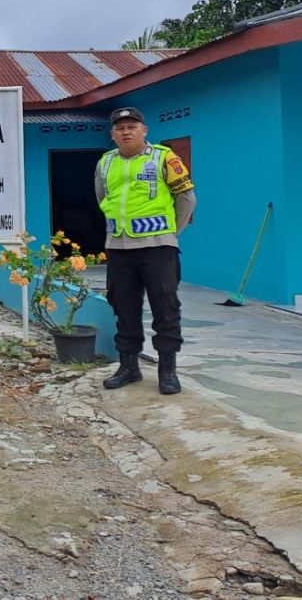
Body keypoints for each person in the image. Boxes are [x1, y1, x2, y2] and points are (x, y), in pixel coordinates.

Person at [95, 108, 196, 394]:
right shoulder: (105, 163)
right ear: (112, 134)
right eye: (120, 127)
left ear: (144, 130)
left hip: (157, 248)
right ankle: (129, 367)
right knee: (123, 306)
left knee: (165, 307)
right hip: (119, 246)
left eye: (132, 126)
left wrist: (171, 233)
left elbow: (186, 200)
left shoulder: (164, 157)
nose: (126, 131)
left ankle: (167, 371)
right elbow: (102, 197)